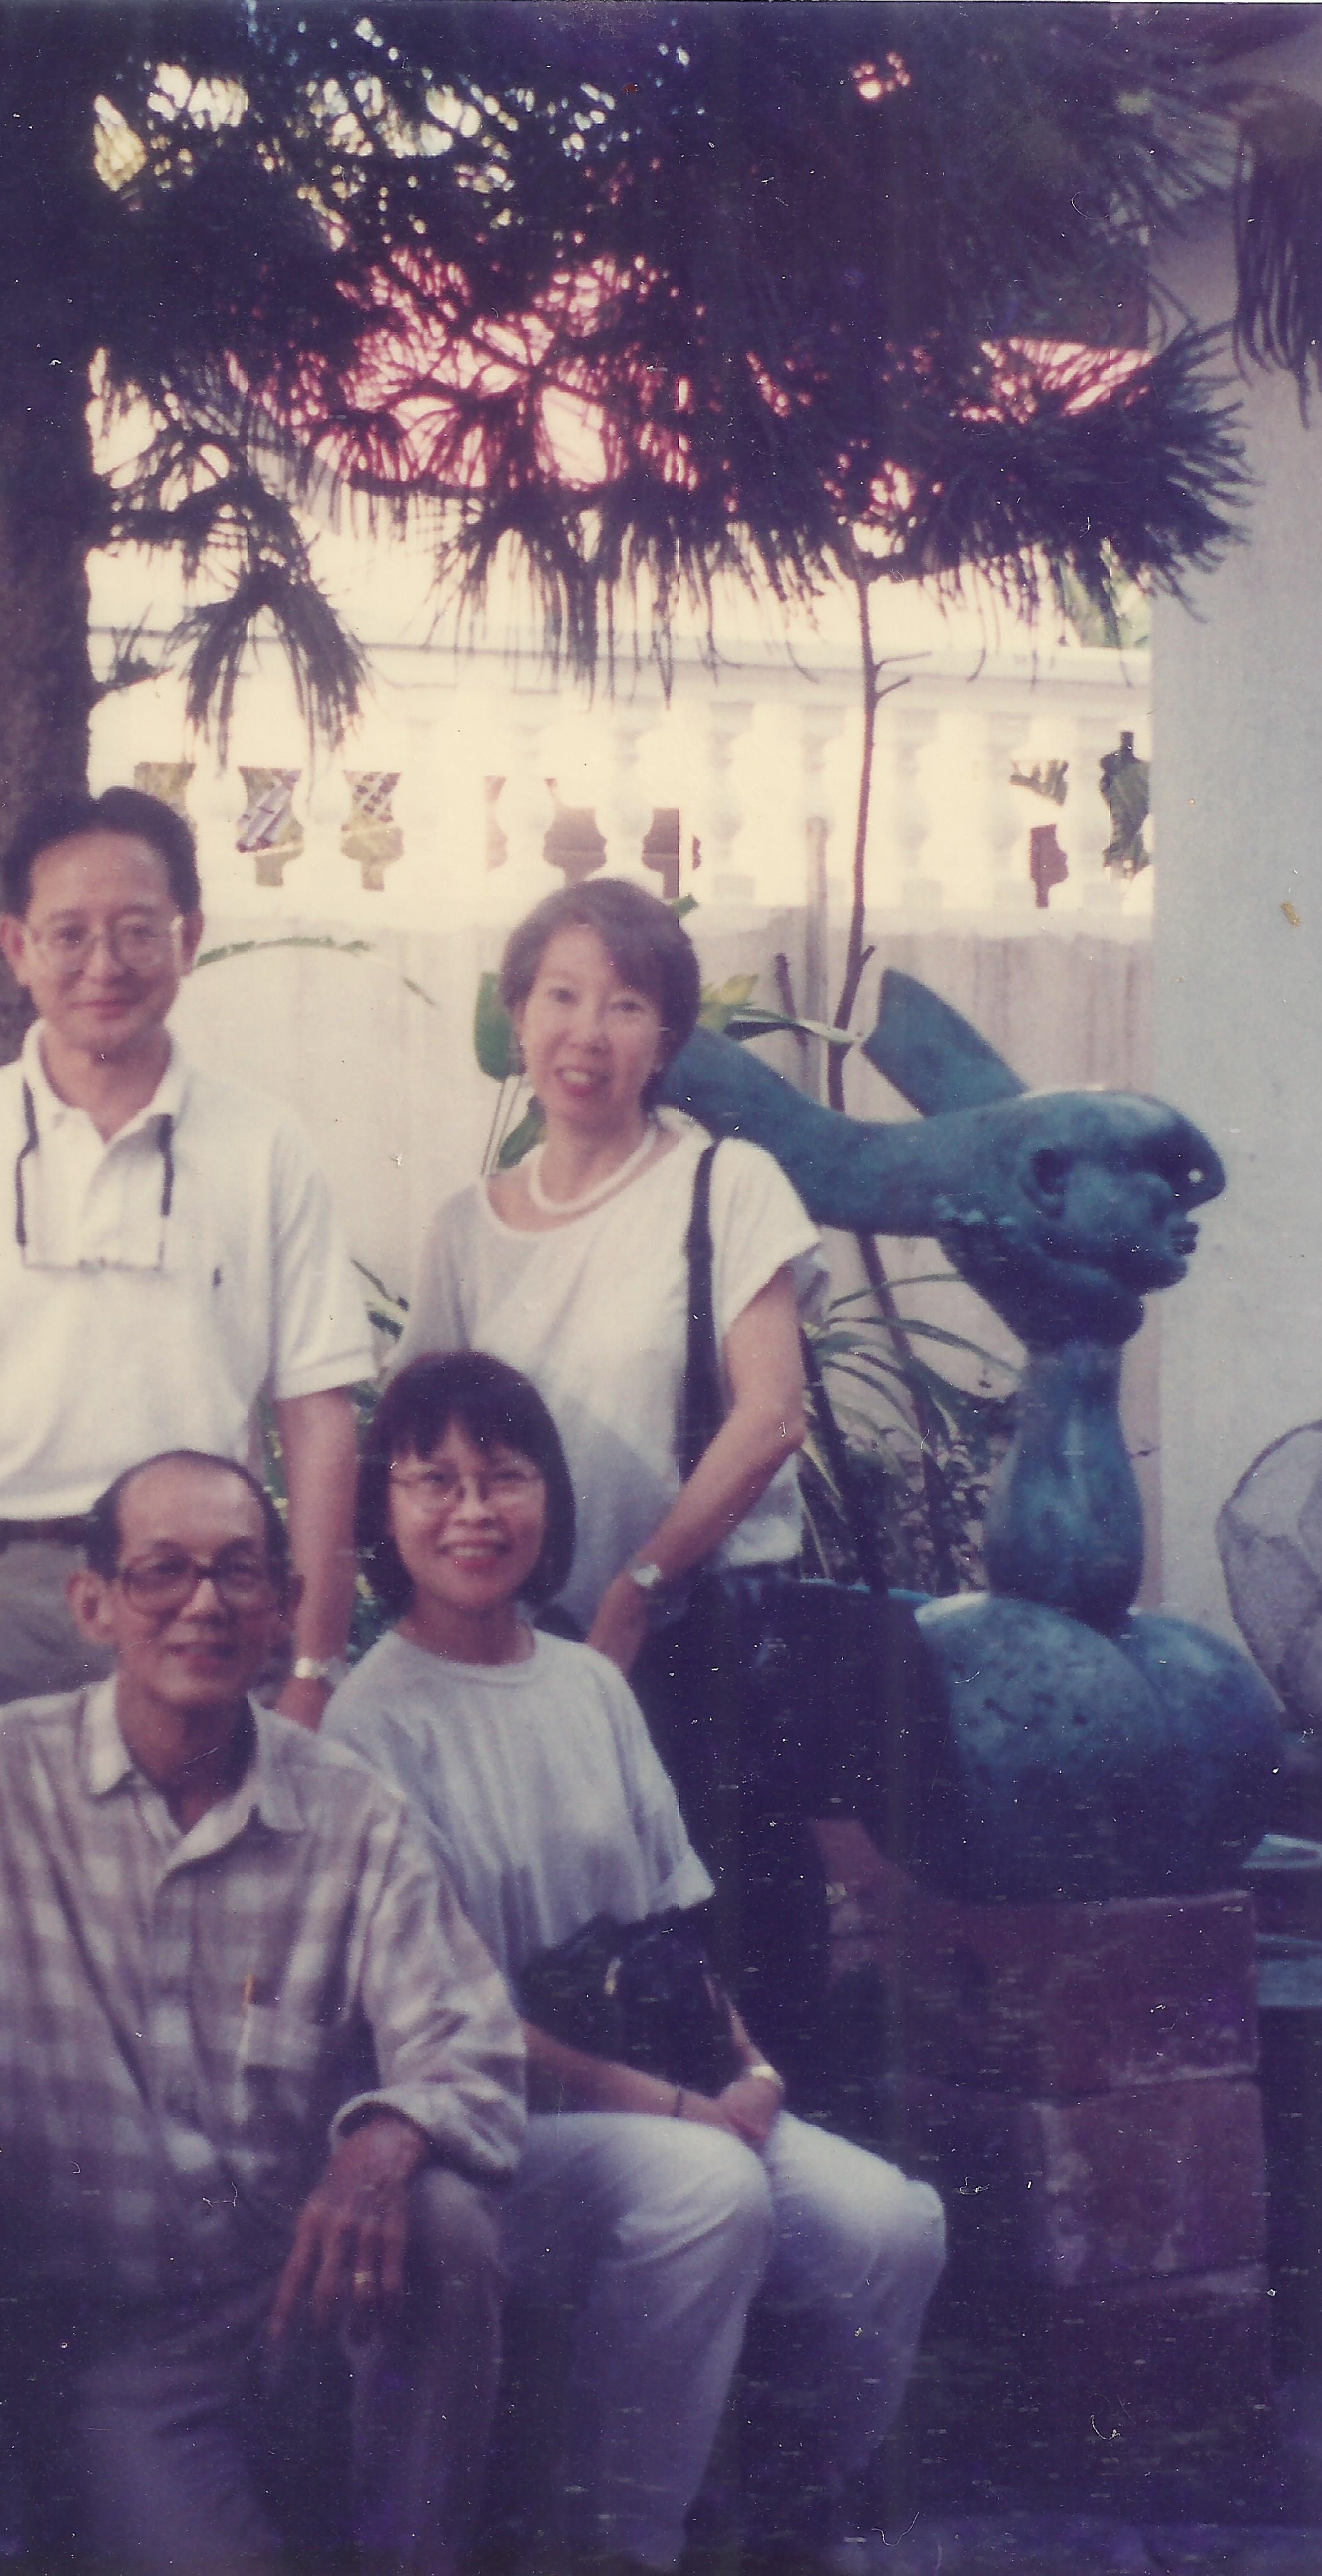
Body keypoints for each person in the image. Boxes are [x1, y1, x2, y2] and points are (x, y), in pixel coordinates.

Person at [0, 1449, 526, 2573]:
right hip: (110, 2337)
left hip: (300, 2293)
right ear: (92, 1602)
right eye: (162, 1573)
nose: (204, 1604)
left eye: (240, 1573)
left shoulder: (352, 1815)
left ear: (286, 1606)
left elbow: (469, 2039)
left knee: (445, 2224)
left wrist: (385, 2139)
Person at [325, 1352, 945, 2568]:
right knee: (704, 2192)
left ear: (546, 1496)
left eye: (502, 1477)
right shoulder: (369, 1726)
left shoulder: (587, 1688)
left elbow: (669, 1930)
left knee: (892, 2226)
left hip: (659, 2093)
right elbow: (456, 2028)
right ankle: (612, 2546)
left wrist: (750, 2068)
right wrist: (678, 2110)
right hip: (491, 2125)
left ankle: (774, 2513)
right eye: (432, 1481)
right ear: (382, 1513)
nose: (471, 1511)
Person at [395, 876, 837, 2064]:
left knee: (735, 1989)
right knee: (567, 1986)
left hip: (696, 1659)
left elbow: (771, 1417)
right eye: (561, 996)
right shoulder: (463, 1229)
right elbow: (423, 1444)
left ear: (668, 1041)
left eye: (627, 1005)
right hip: (531, 1670)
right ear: (517, 1013)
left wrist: (639, 1587)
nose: (587, 1034)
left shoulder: (724, 1187)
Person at [0, 785, 374, 1733]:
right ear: (16, 949)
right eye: (69, 934)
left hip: (195, 1607)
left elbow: (319, 1420)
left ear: (189, 936)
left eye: (136, 930)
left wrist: (313, 1668)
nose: (104, 966)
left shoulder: (264, 1147)